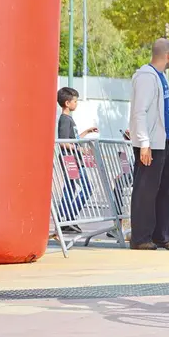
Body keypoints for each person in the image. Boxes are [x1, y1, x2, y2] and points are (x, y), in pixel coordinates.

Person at [128, 38, 169, 251]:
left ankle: (162, 234)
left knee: (166, 189)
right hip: (150, 144)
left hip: (163, 143)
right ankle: (141, 237)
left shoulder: (161, 78)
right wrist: (144, 143)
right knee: (145, 191)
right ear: (168, 55)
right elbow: (139, 112)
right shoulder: (146, 77)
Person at [56, 87, 98, 233]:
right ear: (67, 103)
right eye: (75, 101)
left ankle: (64, 218)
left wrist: (86, 132)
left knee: (71, 188)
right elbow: (63, 142)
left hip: (72, 159)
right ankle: (69, 217)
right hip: (70, 159)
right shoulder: (65, 120)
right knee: (86, 187)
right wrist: (79, 149)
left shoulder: (68, 119)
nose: (76, 103)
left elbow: (72, 139)